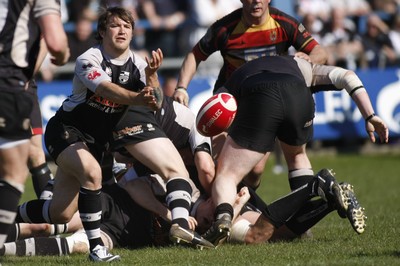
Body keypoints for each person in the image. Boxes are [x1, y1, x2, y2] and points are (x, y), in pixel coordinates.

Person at [15, 6, 162, 262]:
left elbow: (157, 102)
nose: (122, 30)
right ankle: (97, 249)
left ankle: (6, 219)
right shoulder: (89, 59)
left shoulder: (138, 64)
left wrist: (152, 78)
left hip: (94, 144)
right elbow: (106, 90)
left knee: (58, 214)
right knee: (92, 174)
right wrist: (138, 97)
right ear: (103, 31)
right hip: (65, 132)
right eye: (116, 25)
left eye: (127, 26)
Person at [201, 55, 388, 246]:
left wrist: (218, 156)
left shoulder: (237, 76)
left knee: (227, 174)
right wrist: (370, 115)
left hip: (260, 93)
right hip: (299, 95)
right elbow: (348, 76)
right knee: (297, 155)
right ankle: (306, 225)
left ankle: (222, 219)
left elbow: (214, 119)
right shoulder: (302, 65)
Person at [173, 0, 328, 191]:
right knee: (222, 162)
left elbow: (320, 52)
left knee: (255, 171)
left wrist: (310, 58)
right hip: (230, 101)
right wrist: (181, 87)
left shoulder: (284, 23)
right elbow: (195, 54)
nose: (256, 1)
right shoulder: (225, 28)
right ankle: (216, 209)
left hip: (263, 104)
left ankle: (244, 202)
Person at [0, 0, 70, 251]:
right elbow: (54, 42)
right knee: (13, 172)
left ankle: (48, 217)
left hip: (20, 82)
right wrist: (61, 55)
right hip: (11, 81)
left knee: (34, 154)